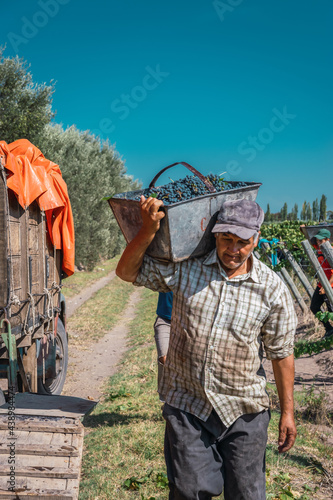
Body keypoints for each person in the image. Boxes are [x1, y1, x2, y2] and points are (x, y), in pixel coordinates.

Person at [116, 197, 298, 500]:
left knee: (247, 494)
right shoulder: (188, 268)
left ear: (256, 240)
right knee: (189, 491)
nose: (233, 249)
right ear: (215, 234)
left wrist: (288, 412)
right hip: (188, 405)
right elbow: (126, 271)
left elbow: (281, 352)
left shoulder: (272, 289)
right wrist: (148, 229)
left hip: (244, 410)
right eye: (227, 239)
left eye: (243, 242)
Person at [309, 228, 333, 336]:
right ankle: (329, 329)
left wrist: (327, 286)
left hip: (330, 286)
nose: (318, 243)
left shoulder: (330, 252)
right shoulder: (319, 250)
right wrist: (303, 230)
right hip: (321, 285)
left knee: (331, 310)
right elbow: (309, 241)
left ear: (328, 240)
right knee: (314, 307)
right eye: (317, 241)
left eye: (321, 241)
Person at [154, 291, 173, 400]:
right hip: (165, 321)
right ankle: (166, 399)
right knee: (164, 359)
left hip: (188, 321)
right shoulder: (166, 273)